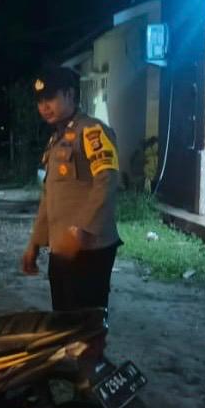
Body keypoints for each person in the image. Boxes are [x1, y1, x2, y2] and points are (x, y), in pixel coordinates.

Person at [21, 66, 122, 310]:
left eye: (50, 98)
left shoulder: (92, 131)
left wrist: (83, 230)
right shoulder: (56, 141)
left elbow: (107, 180)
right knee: (63, 321)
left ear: (69, 94)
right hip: (62, 248)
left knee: (87, 323)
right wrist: (35, 242)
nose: (44, 106)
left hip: (90, 248)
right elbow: (49, 196)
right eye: (40, 101)